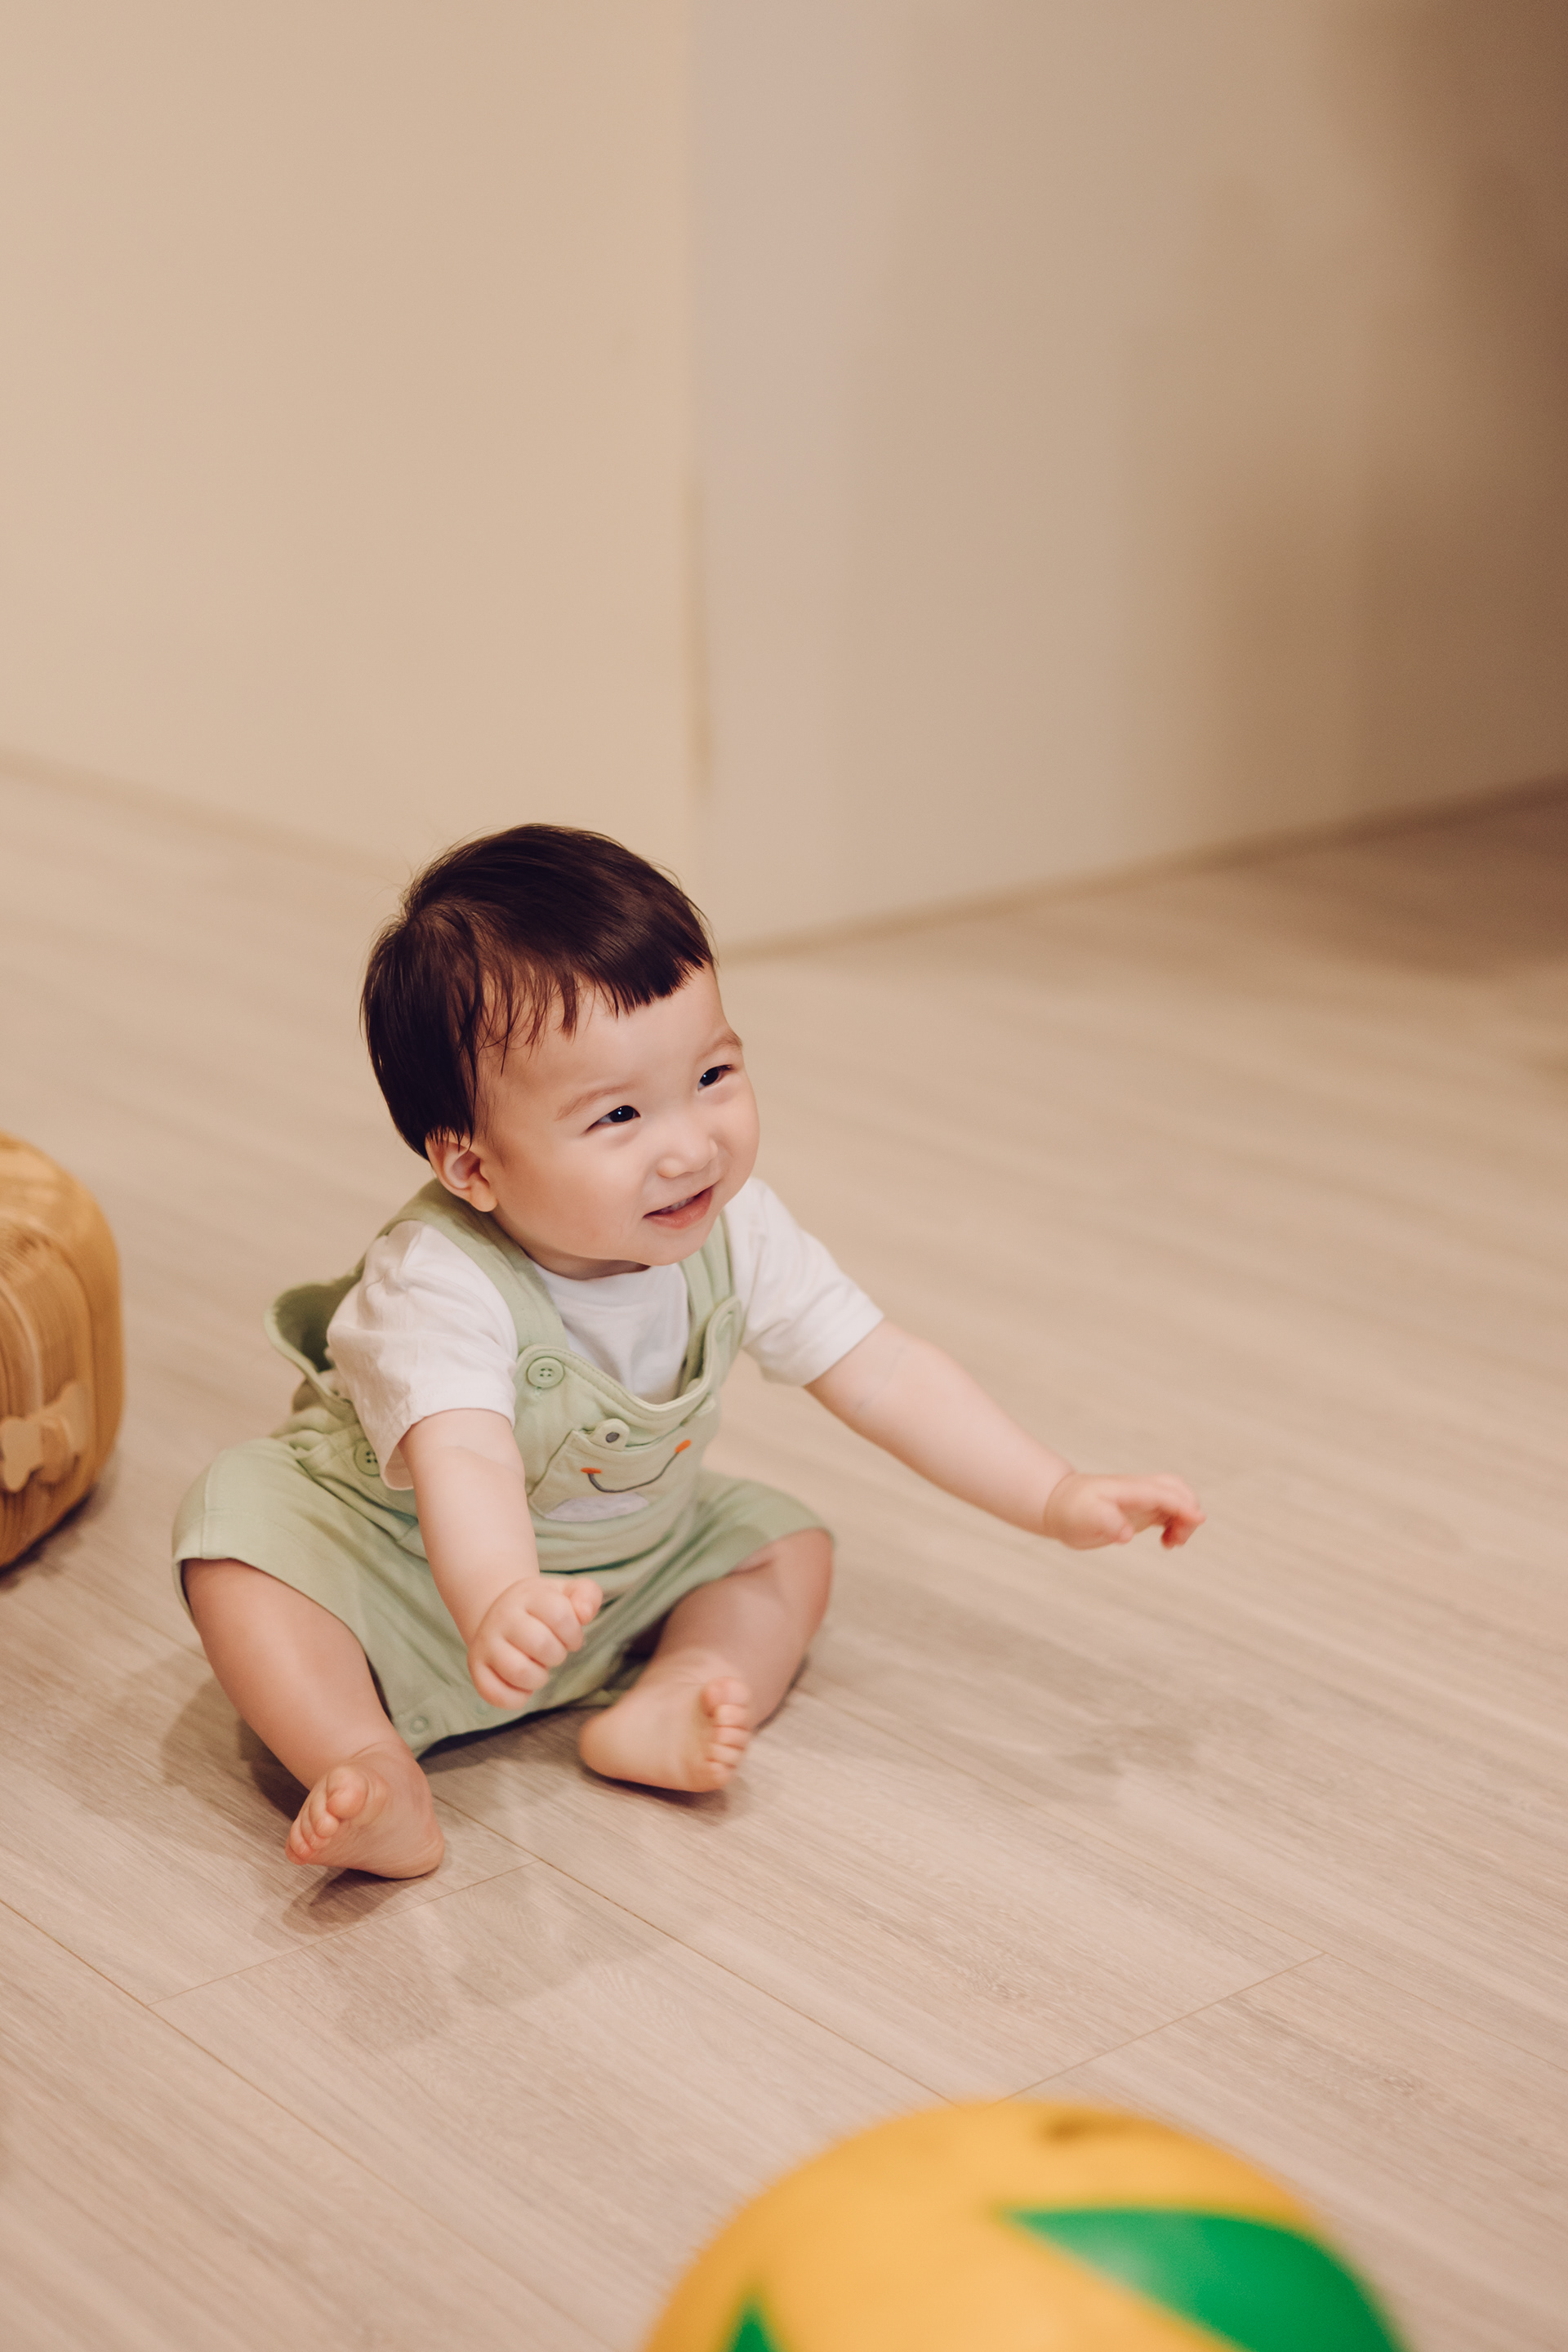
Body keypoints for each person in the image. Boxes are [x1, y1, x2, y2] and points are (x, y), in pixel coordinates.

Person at [175, 825, 1203, 1878]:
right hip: (408, 1573)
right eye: (619, 1113)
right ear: (473, 1167)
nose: (692, 1143)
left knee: (783, 1543)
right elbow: (466, 1456)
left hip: (627, 1573)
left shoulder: (737, 1231)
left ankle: (673, 1694)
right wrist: (498, 1595)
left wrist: (1053, 1492)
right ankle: (364, 1759)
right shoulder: (439, 1280)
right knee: (236, 1537)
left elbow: (884, 1370)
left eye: (713, 1073)